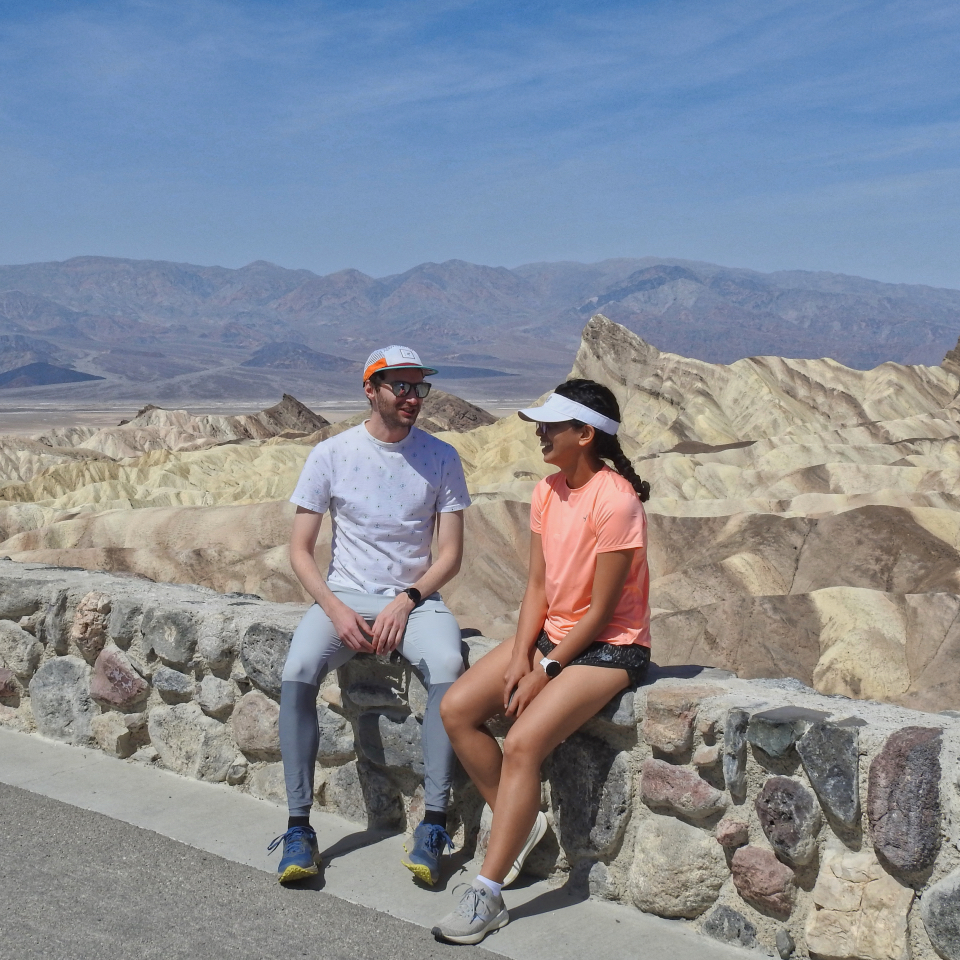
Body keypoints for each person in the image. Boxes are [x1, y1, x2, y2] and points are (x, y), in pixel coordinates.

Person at [430, 378, 651, 945]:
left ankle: (488, 890)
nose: (539, 434)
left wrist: (546, 670)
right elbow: (536, 586)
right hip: (555, 638)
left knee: (525, 741)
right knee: (456, 708)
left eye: (551, 426)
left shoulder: (617, 499)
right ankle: (517, 823)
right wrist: (523, 653)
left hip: (611, 647)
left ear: (585, 434)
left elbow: (602, 611)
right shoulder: (548, 491)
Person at [268, 345, 471, 887]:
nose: (412, 397)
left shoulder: (441, 456)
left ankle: (432, 824)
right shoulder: (331, 454)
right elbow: (299, 549)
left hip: (416, 598)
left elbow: (449, 555)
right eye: (399, 386)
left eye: (418, 387)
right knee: (297, 673)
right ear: (370, 390)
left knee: (450, 667)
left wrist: (406, 600)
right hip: (343, 596)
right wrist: (334, 608)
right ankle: (297, 828)